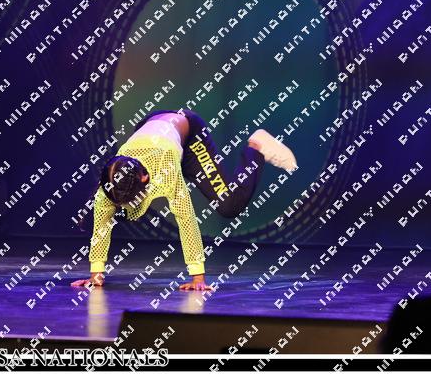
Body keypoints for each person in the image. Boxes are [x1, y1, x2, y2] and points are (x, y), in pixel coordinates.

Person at [70, 108, 297, 291]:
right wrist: (96, 275)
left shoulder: (165, 170)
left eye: (131, 199)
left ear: (145, 178)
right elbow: (101, 225)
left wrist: (198, 278)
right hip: (152, 128)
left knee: (229, 205)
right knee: (109, 211)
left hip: (188, 136)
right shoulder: (112, 180)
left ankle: (255, 148)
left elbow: (186, 219)